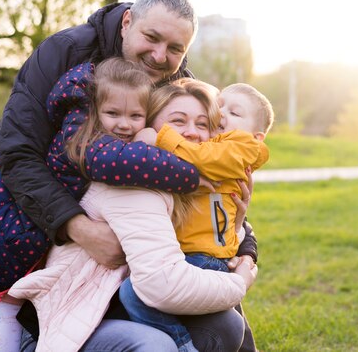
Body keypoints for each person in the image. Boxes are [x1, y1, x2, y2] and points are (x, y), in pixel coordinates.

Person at [0, 0, 258, 351]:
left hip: (121, 185)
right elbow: (18, 151)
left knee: (210, 269)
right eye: (151, 38)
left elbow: (208, 164)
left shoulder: (175, 80)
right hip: (24, 169)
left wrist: (241, 241)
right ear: (127, 22)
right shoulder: (66, 51)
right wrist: (75, 226)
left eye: (174, 49)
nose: (159, 55)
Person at [0, 57, 199, 351]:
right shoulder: (87, 142)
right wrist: (192, 174)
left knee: (12, 315)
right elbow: (122, 161)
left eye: (135, 116)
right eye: (113, 113)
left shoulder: (86, 127)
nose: (124, 125)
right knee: (9, 316)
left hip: (2, 217)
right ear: (95, 112)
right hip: (5, 228)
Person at [7, 77, 258, 352]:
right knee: (156, 344)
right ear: (149, 126)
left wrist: (237, 227)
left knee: (225, 325)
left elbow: (212, 236)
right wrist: (239, 282)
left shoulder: (186, 182)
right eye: (178, 121)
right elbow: (160, 285)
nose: (192, 133)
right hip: (74, 322)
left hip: (119, 306)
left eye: (203, 125)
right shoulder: (133, 179)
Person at [118, 81, 275, 351]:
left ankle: (183, 345)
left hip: (203, 258)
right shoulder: (213, 143)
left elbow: (201, 158)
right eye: (220, 105)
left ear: (257, 136)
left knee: (136, 292)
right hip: (190, 255)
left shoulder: (241, 147)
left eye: (235, 113)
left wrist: (159, 137)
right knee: (138, 294)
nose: (222, 114)